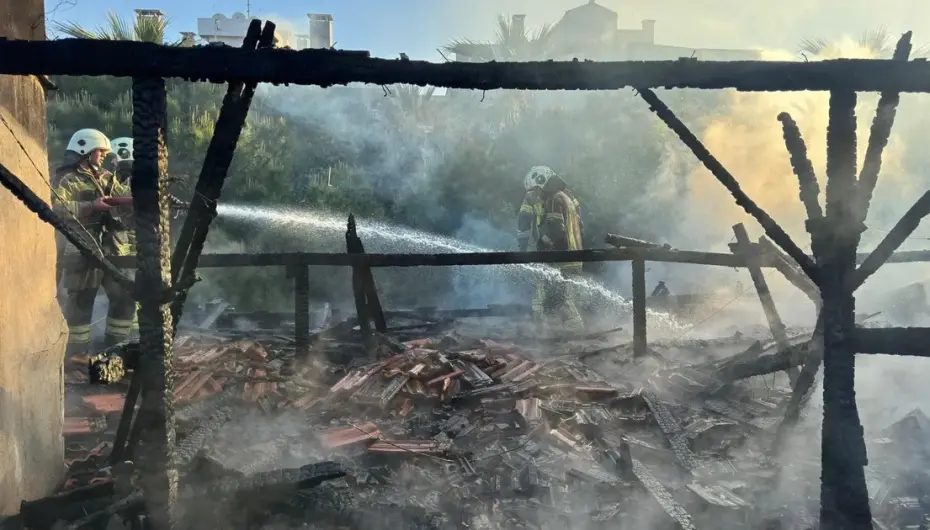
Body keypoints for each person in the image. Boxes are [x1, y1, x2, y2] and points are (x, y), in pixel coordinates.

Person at [53, 129, 137, 354]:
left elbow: (124, 200)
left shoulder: (107, 178)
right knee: (80, 309)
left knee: (125, 301)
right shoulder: (65, 179)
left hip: (113, 251)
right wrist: (92, 207)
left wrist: (144, 200)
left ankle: (116, 352)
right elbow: (56, 210)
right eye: (99, 151)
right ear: (85, 150)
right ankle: (76, 359)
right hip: (82, 252)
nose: (102, 155)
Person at [520, 165, 585, 332]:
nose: (536, 196)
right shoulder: (566, 197)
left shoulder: (554, 199)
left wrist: (543, 243)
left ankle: (573, 334)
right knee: (562, 298)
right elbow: (581, 226)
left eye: (535, 190)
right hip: (574, 255)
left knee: (555, 299)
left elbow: (556, 230)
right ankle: (566, 332)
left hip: (564, 257)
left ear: (542, 185)